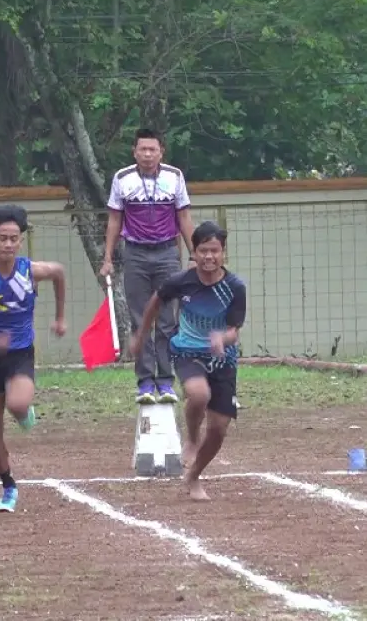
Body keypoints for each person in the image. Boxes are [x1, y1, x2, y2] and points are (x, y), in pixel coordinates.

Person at [130, 221, 245, 502]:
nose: (209, 257)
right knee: (198, 394)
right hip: (187, 351)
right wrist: (141, 335)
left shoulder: (234, 287)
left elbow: (234, 330)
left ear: (223, 253)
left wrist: (223, 339)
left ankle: (194, 475)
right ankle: (192, 437)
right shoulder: (181, 281)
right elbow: (155, 302)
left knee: (218, 429)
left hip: (223, 359)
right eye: (203, 251)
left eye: (214, 251)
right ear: (193, 253)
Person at [0, 204, 66, 513]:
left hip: (20, 351)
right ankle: (8, 485)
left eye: (14, 238)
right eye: (2, 238)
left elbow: (59, 273)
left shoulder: (30, 271)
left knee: (18, 405)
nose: (8, 244)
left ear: (21, 240)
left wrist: (60, 318)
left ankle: (24, 412)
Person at [101, 128, 196, 406]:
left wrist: (194, 254)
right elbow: (114, 221)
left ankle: (166, 381)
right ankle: (144, 383)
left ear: (160, 151)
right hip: (136, 254)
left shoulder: (174, 176)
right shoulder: (122, 178)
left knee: (167, 320)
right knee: (140, 319)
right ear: (134, 152)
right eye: (142, 149)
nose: (147, 154)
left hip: (167, 252)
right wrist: (107, 257)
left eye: (152, 149)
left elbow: (184, 217)